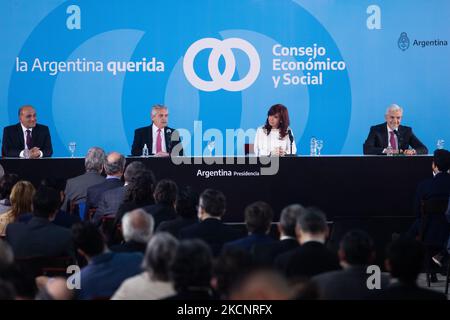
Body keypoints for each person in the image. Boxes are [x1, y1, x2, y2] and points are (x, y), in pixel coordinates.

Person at [363, 104, 428, 155]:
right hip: (381, 165)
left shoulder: (407, 131)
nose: (395, 121)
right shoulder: (376, 130)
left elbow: (424, 149)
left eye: (398, 118)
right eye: (392, 117)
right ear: (386, 117)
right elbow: (367, 149)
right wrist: (386, 150)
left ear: (401, 118)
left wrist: (413, 151)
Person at [61, 147, 106, 211]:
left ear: (85, 163)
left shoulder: (71, 183)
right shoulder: (107, 183)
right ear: (102, 165)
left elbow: (63, 210)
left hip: (76, 220)